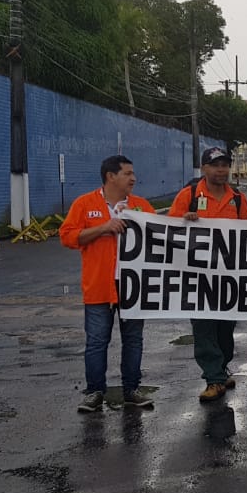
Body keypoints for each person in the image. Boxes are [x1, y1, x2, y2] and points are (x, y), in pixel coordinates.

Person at [60, 155, 155, 413]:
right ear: (110, 176)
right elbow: (68, 237)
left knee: (133, 340)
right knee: (96, 342)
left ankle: (132, 390)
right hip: (99, 286)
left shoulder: (141, 206)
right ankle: (94, 392)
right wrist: (103, 228)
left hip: (133, 287)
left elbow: (160, 238)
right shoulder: (84, 204)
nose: (133, 178)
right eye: (127, 173)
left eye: (133, 173)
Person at [168, 148, 247, 402]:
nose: (221, 170)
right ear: (204, 168)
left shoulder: (237, 198)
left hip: (228, 276)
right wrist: (185, 220)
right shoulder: (189, 195)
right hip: (198, 277)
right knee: (204, 328)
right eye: (215, 165)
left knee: (225, 329)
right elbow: (167, 230)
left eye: (225, 165)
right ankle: (213, 378)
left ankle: (221, 368)